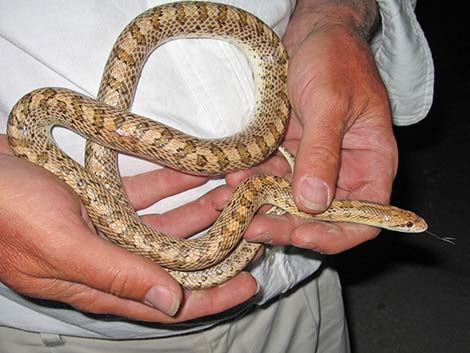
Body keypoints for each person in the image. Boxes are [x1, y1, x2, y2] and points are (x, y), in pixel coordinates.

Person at [0, 0, 433, 352]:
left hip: (298, 278)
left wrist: (334, 15)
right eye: (408, 221)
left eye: (408, 223)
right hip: (73, 328)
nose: (413, 226)